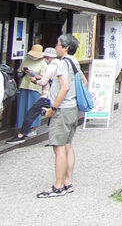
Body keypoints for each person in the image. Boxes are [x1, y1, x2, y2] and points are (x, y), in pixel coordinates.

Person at [37, 34, 86, 198]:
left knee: (59, 148)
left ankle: (57, 186)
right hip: (72, 109)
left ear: (65, 47)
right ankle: (68, 182)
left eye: (58, 44)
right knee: (68, 146)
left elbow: (64, 87)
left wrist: (53, 108)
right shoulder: (74, 62)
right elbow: (84, 82)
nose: (56, 47)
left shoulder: (63, 64)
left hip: (62, 109)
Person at [7, 47, 59, 144]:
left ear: (48, 57)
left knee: (31, 113)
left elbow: (44, 81)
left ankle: (21, 135)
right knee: (54, 116)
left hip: (47, 95)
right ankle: (55, 138)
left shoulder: (50, 66)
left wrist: (35, 80)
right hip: (56, 96)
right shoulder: (61, 64)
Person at [16, 44, 48, 131]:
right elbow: (19, 72)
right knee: (23, 108)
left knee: (33, 109)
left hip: (35, 87)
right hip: (24, 85)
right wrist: (23, 72)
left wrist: (32, 73)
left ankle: (33, 128)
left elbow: (44, 77)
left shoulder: (43, 63)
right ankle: (22, 128)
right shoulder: (26, 59)